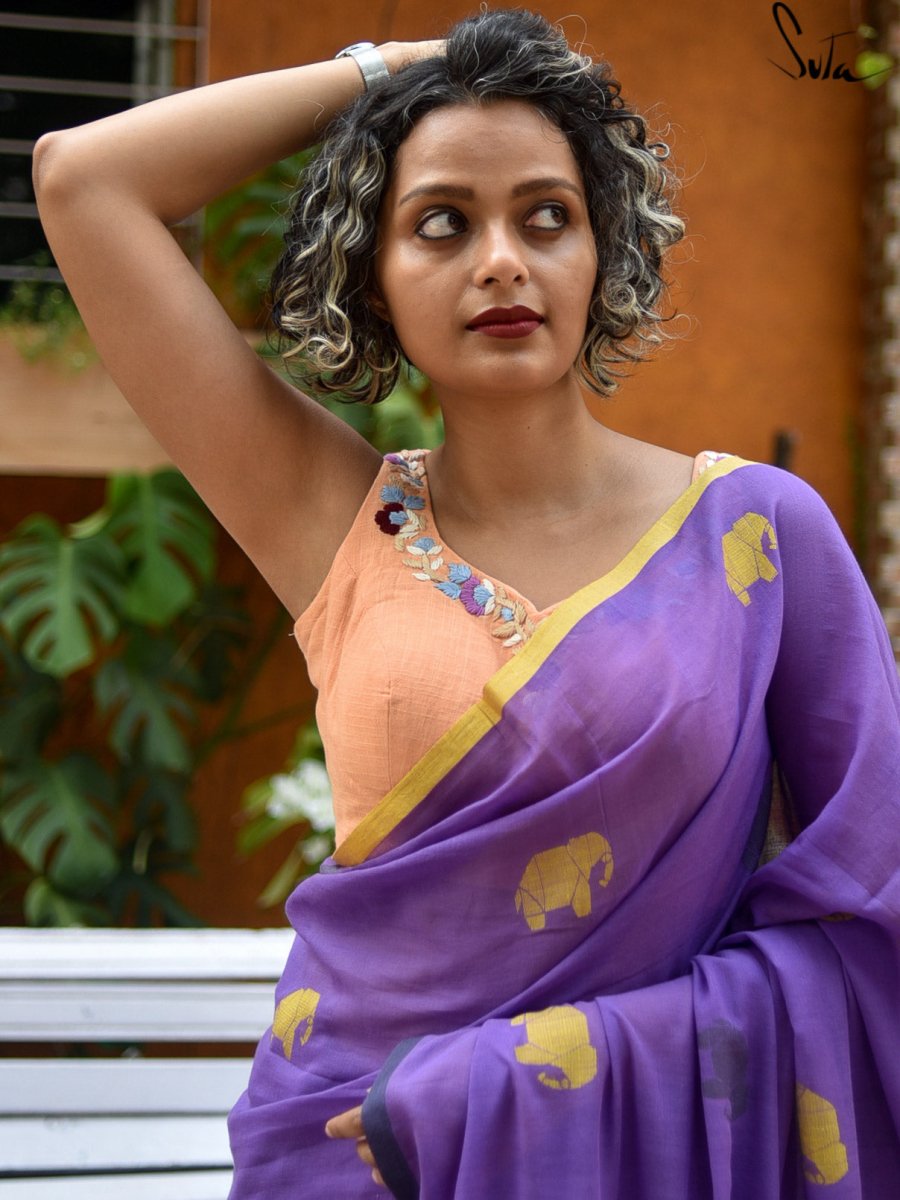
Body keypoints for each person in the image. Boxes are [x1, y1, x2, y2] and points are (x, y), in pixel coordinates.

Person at [33, 9, 900, 1198]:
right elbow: (81, 181)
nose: (501, 260)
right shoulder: (328, 518)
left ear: (604, 253)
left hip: (636, 1156)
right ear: (372, 278)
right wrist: (396, 70)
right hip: (353, 1151)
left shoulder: (755, 536)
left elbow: (870, 901)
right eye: (441, 222)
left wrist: (523, 1077)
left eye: (547, 216)